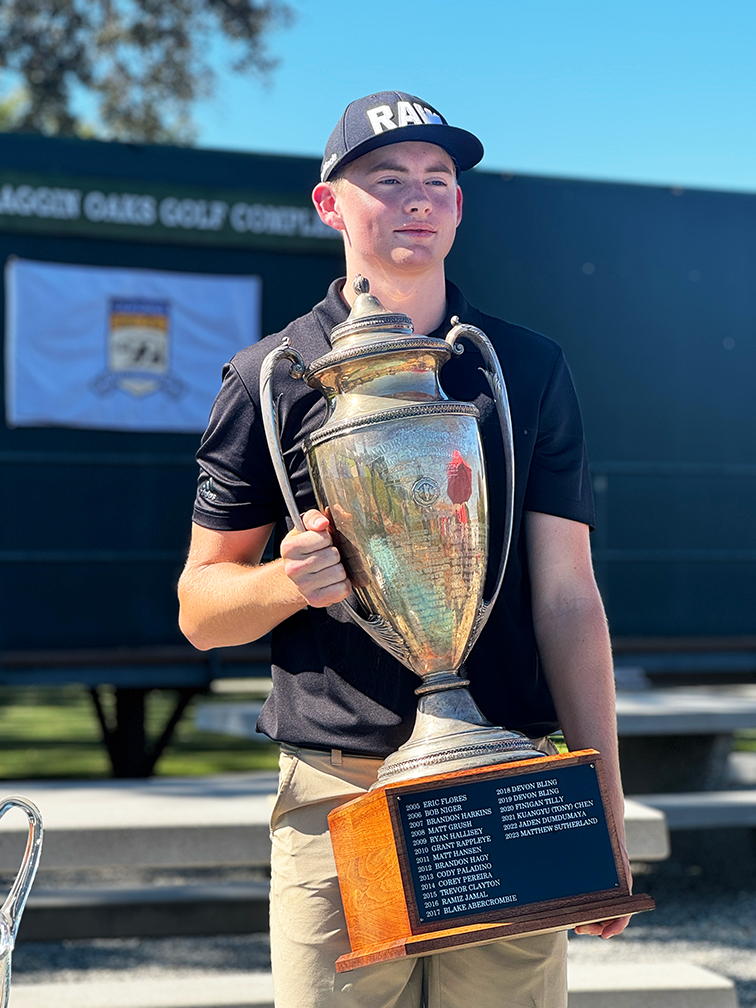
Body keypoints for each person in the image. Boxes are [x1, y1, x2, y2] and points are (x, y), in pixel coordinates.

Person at [178, 90, 630, 1008]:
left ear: (460, 208)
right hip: (340, 791)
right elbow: (200, 608)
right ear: (329, 204)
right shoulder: (271, 377)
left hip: (507, 777)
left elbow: (569, 599)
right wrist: (285, 582)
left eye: (438, 181)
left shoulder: (524, 367)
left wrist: (604, 807)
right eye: (386, 180)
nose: (417, 199)